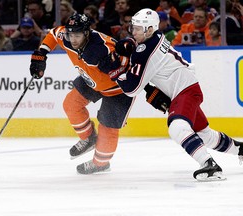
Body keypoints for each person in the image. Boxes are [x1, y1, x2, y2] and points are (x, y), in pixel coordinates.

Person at [104, 8, 243, 181]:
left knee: (177, 127)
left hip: (184, 91)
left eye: (138, 28)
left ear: (149, 29)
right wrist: (130, 43)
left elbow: (132, 88)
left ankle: (210, 165)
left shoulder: (145, 52)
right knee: (204, 135)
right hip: (186, 89)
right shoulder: (156, 37)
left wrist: (116, 73)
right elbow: (140, 47)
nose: (134, 32)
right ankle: (241, 150)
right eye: (134, 28)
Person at [28, 13, 136, 175]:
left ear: (87, 33)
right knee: (71, 104)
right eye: (71, 34)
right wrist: (41, 54)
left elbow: (130, 65)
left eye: (77, 35)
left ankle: (100, 163)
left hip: (118, 90)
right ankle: (89, 138)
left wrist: (118, 67)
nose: (73, 40)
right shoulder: (66, 37)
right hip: (91, 80)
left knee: (108, 127)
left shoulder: (101, 49)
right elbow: (53, 33)